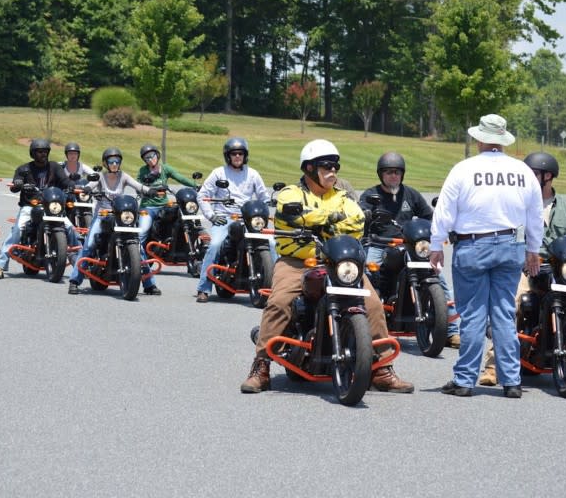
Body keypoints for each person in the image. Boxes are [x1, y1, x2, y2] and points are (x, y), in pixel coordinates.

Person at [240, 139, 414, 394]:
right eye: (326, 166)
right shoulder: (291, 193)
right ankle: (261, 366)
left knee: (375, 305)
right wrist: (327, 219)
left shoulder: (342, 196)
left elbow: (356, 221)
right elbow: (291, 214)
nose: (333, 171)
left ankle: (381, 369)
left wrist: (327, 222)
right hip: (298, 261)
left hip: (338, 264)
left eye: (335, 166)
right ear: (309, 169)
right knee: (279, 302)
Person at [478, 152, 566, 388]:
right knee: (511, 303)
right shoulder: (517, 205)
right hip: (526, 267)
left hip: (561, 269)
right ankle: (493, 366)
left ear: (548, 176)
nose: (529, 178)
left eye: (534, 174)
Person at [430, 114, 543, 399]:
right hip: (511, 244)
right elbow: (535, 215)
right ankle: (512, 380)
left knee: (473, 315)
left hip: (472, 245)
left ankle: (465, 379)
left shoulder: (464, 169)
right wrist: (533, 249)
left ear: (479, 139)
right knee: (504, 313)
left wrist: (435, 244)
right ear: (502, 140)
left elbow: (445, 210)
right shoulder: (522, 171)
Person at [359, 151, 461, 348]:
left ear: (402, 174)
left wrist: (440, 229)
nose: (393, 176)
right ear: (381, 174)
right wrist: (367, 214)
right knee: (366, 277)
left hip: (410, 245)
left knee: (438, 277)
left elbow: (428, 216)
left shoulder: (411, 194)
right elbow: (360, 215)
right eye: (388, 172)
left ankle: (450, 331)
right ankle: (365, 329)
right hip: (380, 245)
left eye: (397, 172)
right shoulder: (371, 195)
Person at [67, 147, 162, 295]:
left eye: (117, 161)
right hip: (102, 215)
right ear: (105, 163)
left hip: (121, 216)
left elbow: (138, 186)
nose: (114, 164)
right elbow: (89, 186)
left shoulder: (123, 176)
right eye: (111, 161)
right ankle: (75, 281)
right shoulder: (100, 177)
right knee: (89, 244)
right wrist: (85, 189)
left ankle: (149, 284)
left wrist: (150, 190)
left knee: (139, 248)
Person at [194, 137, 272, 303]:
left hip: (250, 220)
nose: (237, 156)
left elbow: (264, 197)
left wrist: (268, 206)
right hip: (225, 218)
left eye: (241, 153)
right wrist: (212, 215)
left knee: (272, 244)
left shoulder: (253, 174)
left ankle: (278, 289)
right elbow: (202, 195)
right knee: (214, 245)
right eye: (234, 154)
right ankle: (203, 289)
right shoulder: (218, 173)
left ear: (245, 155)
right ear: (228, 156)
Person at [0, 138, 80, 279]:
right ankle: (0, 265)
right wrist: (18, 183)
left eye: (45, 151)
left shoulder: (54, 167)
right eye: (39, 152)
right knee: (18, 229)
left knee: (70, 228)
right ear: (33, 153)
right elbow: (15, 186)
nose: (42, 154)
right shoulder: (24, 169)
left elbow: (64, 180)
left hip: (52, 207)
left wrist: (71, 185)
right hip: (30, 207)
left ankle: (78, 263)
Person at [136, 144, 197, 251]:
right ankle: (140, 261)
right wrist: (146, 187)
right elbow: (137, 186)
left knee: (181, 221)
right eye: (147, 158)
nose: (150, 159)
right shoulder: (142, 171)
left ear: (157, 155)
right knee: (142, 232)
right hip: (148, 208)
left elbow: (180, 178)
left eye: (152, 156)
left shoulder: (165, 168)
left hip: (164, 206)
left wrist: (196, 185)